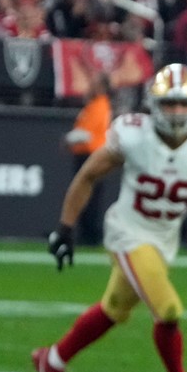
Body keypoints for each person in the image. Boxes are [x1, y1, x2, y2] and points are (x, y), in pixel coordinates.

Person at [32, 63, 187, 372]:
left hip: (164, 238)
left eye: (185, 103)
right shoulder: (132, 134)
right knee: (169, 309)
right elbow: (87, 177)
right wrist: (65, 228)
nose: (177, 111)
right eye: (170, 103)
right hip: (128, 231)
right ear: (153, 104)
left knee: (113, 309)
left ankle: (52, 361)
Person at [62, 72, 112, 246]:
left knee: (89, 195)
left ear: (102, 88)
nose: (91, 86)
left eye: (95, 83)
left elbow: (87, 133)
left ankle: (90, 234)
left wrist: (69, 138)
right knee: (84, 193)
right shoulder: (92, 105)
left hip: (92, 154)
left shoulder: (100, 105)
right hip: (84, 154)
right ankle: (84, 231)